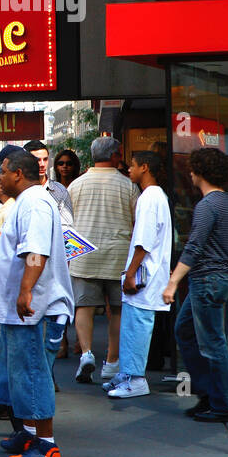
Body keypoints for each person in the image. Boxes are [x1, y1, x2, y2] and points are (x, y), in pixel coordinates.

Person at [0, 149, 74, 457]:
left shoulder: (35, 201)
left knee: (33, 374)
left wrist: (26, 291)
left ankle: (46, 445)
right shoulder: (27, 201)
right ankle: (28, 432)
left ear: (18, 174)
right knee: (19, 377)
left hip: (35, 309)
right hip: (21, 311)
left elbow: (36, 252)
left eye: (3, 171)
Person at [163, 147, 228, 422]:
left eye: (193, 169)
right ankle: (211, 395)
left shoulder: (207, 206)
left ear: (200, 172)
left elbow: (194, 247)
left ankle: (224, 402)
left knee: (212, 343)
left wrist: (172, 283)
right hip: (220, 277)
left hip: (207, 279)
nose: (189, 174)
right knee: (187, 332)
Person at [68, 136, 138, 383]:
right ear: (115, 155)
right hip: (118, 257)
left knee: (84, 307)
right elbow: (135, 222)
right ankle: (111, 360)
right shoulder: (128, 186)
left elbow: (67, 224)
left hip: (84, 256)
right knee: (117, 310)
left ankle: (86, 353)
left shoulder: (76, 185)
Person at [109, 151, 172, 399]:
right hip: (150, 272)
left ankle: (135, 379)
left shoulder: (149, 197)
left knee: (137, 326)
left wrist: (131, 273)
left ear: (145, 167)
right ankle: (128, 374)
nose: (129, 170)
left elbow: (144, 241)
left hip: (145, 274)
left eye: (133, 166)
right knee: (134, 325)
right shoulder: (156, 196)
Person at [25, 139, 74, 226]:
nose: (42, 164)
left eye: (45, 159)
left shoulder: (60, 191)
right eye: (38, 160)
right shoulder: (19, 190)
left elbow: (67, 227)